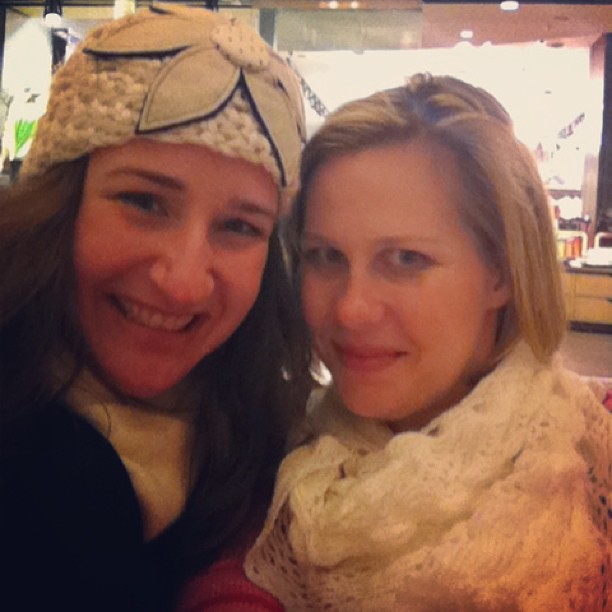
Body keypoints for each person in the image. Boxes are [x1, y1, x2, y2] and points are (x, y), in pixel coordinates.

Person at [244, 74, 612, 610]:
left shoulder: (592, 460)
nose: (350, 308)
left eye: (405, 259)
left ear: (501, 272)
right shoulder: (263, 471)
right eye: (325, 256)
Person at [0, 4, 313, 611]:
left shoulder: (268, 442)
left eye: (239, 226)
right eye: (144, 202)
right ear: (59, 204)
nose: (184, 284)